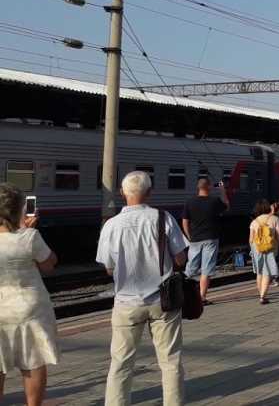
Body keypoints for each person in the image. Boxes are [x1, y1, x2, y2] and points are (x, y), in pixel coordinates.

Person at [97, 171, 188, 406]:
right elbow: (180, 259)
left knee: (121, 363)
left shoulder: (111, 225)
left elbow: (108, 268)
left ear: (122, 193)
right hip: (163, 301)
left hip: (126, 304)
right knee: (170, 361)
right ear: (149, 192)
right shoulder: (163, 218)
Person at [0, 183, 59, 406]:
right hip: (29, 309)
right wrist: (27, 231)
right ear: (17, 210)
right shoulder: (29, 237)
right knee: (33, 360)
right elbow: (49, 264)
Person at [181, 178, 229, 306]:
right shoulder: (214, 201)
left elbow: (185, 221)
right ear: (208, 187)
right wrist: (223, 190)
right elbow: (226, 205)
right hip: (211, 239)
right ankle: (202, 298)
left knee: (190, 268)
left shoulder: (190, 202)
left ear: (198, 187)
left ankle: (182, 295)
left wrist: (189, 236)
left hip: (195, 239)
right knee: (206, 269)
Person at [249, 199, 279, 304]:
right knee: (267, 272)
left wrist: (252, 250)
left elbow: (251, 239)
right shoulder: (274, 219)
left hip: (257, 248)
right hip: (270, 247)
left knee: (259, 272)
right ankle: (262, 297)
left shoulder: (254, 221)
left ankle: (261, 294)